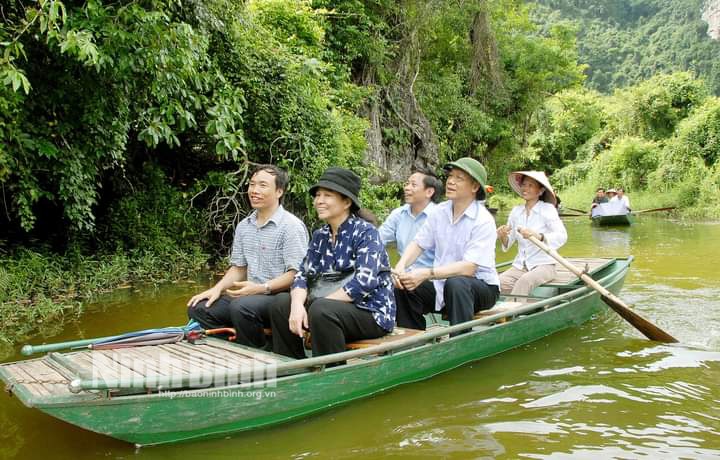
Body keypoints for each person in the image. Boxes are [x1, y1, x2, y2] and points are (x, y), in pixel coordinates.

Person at [271, 167, 396, 359]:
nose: (319, 201)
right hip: (327, 307)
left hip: (371, 312)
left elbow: (365, 281)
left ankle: (331, 371)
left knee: (322, 310)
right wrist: (297, 305)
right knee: (281, 303)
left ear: (346, 202)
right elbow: (302, 275)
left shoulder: (366, 233)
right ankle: (293, 366)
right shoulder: (320, 235)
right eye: (317, 195)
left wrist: (315, 305)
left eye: (327, 195)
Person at [187, 165, 308, 349]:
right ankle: (231, 351)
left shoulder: (291, 227)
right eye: (252, 184)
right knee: (199, 308)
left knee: (242, 307)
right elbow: (239, 268)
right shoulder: (245, 226)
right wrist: (217, 289)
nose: (254, 190)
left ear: (279, 192)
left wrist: (261, 288)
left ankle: (258, 354)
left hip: (280, 298)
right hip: (249, 295)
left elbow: (296, 274)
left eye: (262, 185)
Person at [392, 157, 500, 333]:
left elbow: (469, 268)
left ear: (474, 187)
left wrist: (427, 273)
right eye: (451, 176)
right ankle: (411, 342)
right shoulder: (439, 211)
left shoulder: (483, 220)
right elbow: (418, 244)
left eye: (459, 178)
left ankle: (460, 341)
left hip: (481, 287)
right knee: (404, 285)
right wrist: (401, 267)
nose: (450, 181)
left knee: (456, 283)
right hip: (442, 283)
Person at [496, 171, 567, 298]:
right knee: (496, 283)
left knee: (524, 281)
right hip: (520, 266)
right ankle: (493, 311)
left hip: (544, 265)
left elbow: (562, 236)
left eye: (530, 185)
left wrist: (539, 236)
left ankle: (512, 314)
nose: (525, 188)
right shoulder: (516, 212)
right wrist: (502, 236)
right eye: (523, 184)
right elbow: (508, 243)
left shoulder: (547, 210)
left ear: (540, 191)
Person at [378, 168, 442, 270]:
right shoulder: (398, 214)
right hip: (402, 273)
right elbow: (378, 239)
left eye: (413, 185)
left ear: (429, 192)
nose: (406, 188)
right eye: (407, 184)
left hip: (430, 278)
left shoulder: (440, 216)